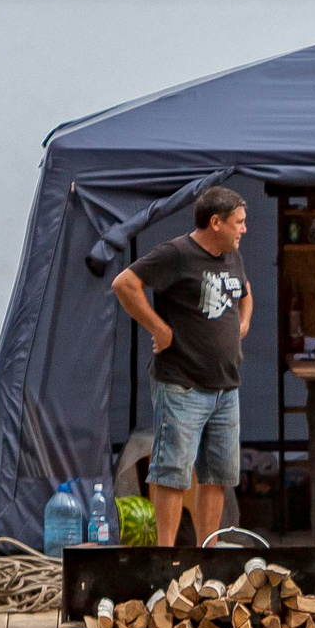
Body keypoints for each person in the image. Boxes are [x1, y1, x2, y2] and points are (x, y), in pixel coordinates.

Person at [111, 185, 253, 545]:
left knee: (218, 474)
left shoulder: (232, 255)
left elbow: (245, 293)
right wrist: (158, 327)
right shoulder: (176, 254)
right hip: (181, 383)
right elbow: (125, 283)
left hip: (226, 385)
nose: (244, 229)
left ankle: (208, 549)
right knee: (172, 471)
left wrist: (242, 324)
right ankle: (166, 553)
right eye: (239, 222)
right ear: (215, 222)